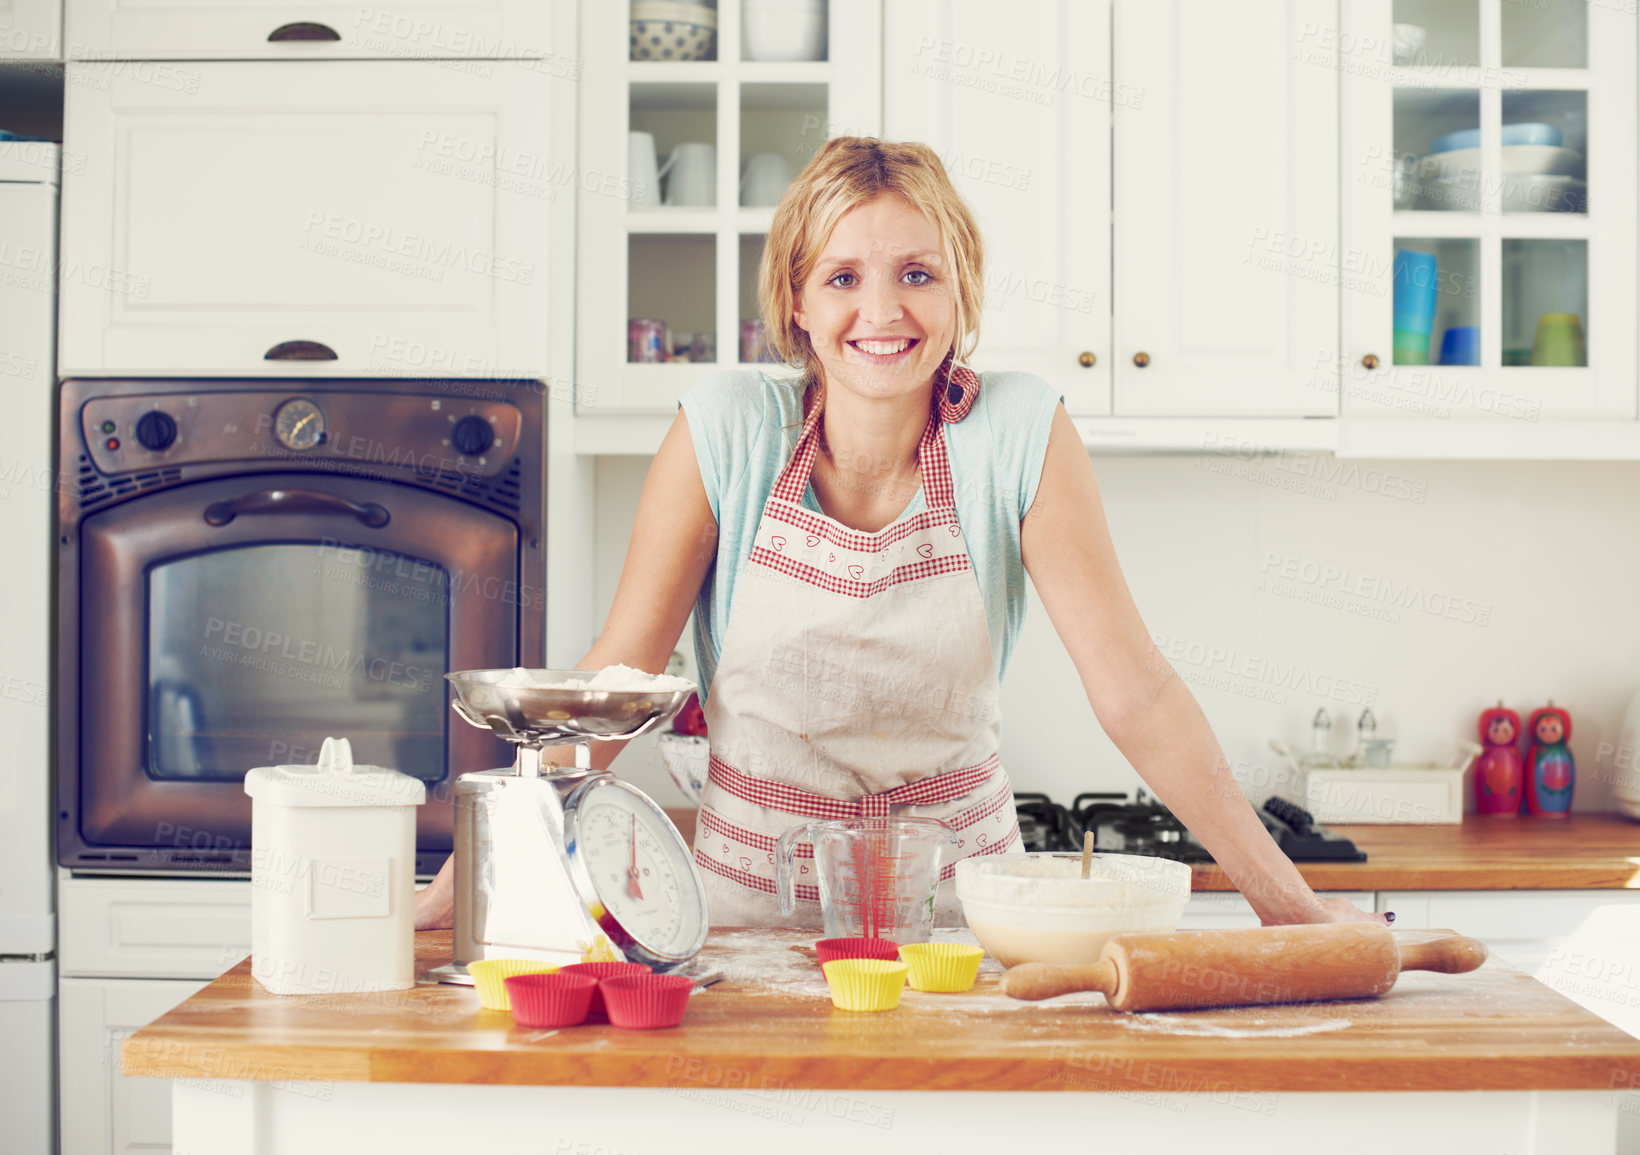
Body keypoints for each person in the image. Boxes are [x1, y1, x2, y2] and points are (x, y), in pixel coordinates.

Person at [415, 137, 1378, 931]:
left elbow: (1136, 692)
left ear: (959, 296)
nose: (881, 311)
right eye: (842, 277)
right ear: (796, 303)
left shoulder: (1017, 433)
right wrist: (464, 879)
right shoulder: (724, 431)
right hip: (750, 911)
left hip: (963, 914)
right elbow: (618, 679)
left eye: (917, 274)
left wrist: (1287, 905)